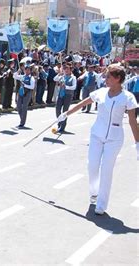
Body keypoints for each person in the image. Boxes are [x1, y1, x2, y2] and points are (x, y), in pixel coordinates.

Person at [57, 64, 139, 215]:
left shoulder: (128, 97)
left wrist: (137, 143)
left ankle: (101, 204)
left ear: (118, 79)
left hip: (114, 139)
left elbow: (133, 121)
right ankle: (94, 193)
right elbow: (84, 102)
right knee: (92, 167)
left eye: (108, 76)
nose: (105, 79)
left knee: (106, 170)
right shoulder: (101, 92)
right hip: (96, 135)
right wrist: (66, 113)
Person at [53, 62, 77, 132]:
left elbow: (74, 87)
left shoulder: (73, 77)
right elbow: (54, 79)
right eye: (65, 69)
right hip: (61, 95)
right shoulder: (62, 76)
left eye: (67, 69)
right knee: (57, 109)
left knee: (65, 111)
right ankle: (59, 123)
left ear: (70, 70)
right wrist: (59, 74)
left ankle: (63, 126)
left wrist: (66, 86)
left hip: (68, 95)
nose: (66, 70)